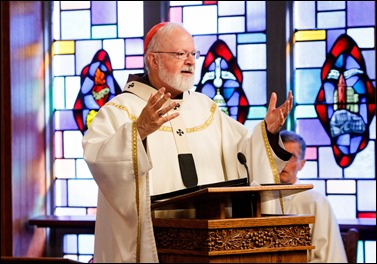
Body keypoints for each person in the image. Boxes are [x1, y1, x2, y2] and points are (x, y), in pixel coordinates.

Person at [82, 21, 294, 263]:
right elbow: (98, 158)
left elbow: (244, 154)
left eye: (193, 54)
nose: (191, 61)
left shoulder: (206, 108)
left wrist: (267, 133)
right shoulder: (121, 110)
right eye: (180, 54)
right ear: (153, 60)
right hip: (157, 245)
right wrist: (138, 131)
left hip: (210, 242)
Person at [279, 130, 348, 263]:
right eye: (280, 156)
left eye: (291, 157)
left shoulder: (316, 202)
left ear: (302, 164)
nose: (284, 163)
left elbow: (326, 257)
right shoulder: (259, 200)